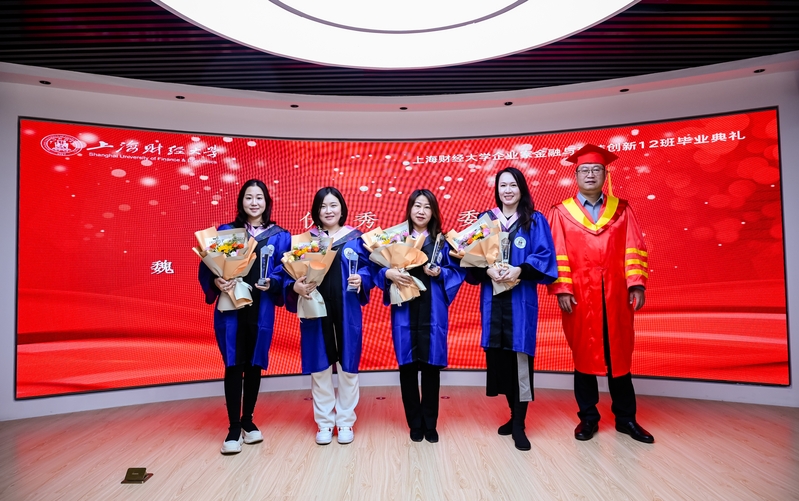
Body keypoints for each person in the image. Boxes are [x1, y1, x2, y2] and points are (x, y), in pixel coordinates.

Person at [547, 144, 654, 444]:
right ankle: (588, 418)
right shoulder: (561, 212)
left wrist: (636, 283)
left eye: (596, 169)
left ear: (605, 174)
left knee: (618, 355)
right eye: (584, 170)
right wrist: (562, 289)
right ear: (576, 175)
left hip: (616, 295)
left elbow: (634, 246)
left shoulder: (622, 209)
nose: (590, 174)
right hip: (580, 296)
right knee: (584, 355)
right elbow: (556, 252)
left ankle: (626, 418)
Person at [467, 167, 558, 451]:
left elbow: (545, 256)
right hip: (493, 303)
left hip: (520, 303)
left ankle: (519, 424)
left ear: (522, 189)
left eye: (513, 185)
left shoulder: (534, 220)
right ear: (497, 189)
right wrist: (487, 270)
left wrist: (520, 269)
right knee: (501, 361)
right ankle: (512, 414)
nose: (507, 190)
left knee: (519, 360)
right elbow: (469, 260)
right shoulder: (486, 221)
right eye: (503, 185)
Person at [198, 179, 290, 455]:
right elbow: (208, 266)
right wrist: (216, 281)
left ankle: (248, 420)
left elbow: (285, 268)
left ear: (266, 202)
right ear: (241, 202)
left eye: (259, 197)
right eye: (249, 197)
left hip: (261, 306)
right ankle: (234, 427)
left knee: (253, 364)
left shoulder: (280, 236)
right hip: (231, 305)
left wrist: (273, 282)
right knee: (233, 363)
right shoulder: (227, 232)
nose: (254, 202)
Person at [285, 187, 373, 445]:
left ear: (342, 209)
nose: (328, 210)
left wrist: (362, 279)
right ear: (316, 211)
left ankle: (345, 421)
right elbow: (288, 274)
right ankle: (324, 422)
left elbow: (370, 269)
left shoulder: (356, 239)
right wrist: (295, 286)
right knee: (320, 366)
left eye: (333, 205)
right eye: (323, 206)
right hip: (315, 309)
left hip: (347, 309)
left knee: (348, 366)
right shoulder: (306, 242)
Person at [377, 190, 465, 443]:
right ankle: (414, 423)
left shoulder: (442, 242)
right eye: (417, 205)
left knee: (430, 368)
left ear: (433, 212)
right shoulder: (396, 240)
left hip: (432, 310)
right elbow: (377, 269)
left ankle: (430, 423)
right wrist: (388, 273)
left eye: (427, 207)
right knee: (407, 367)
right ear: (410, 209)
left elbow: (457, 272)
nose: (421, 211)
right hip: (405, 309)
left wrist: (440, 273)